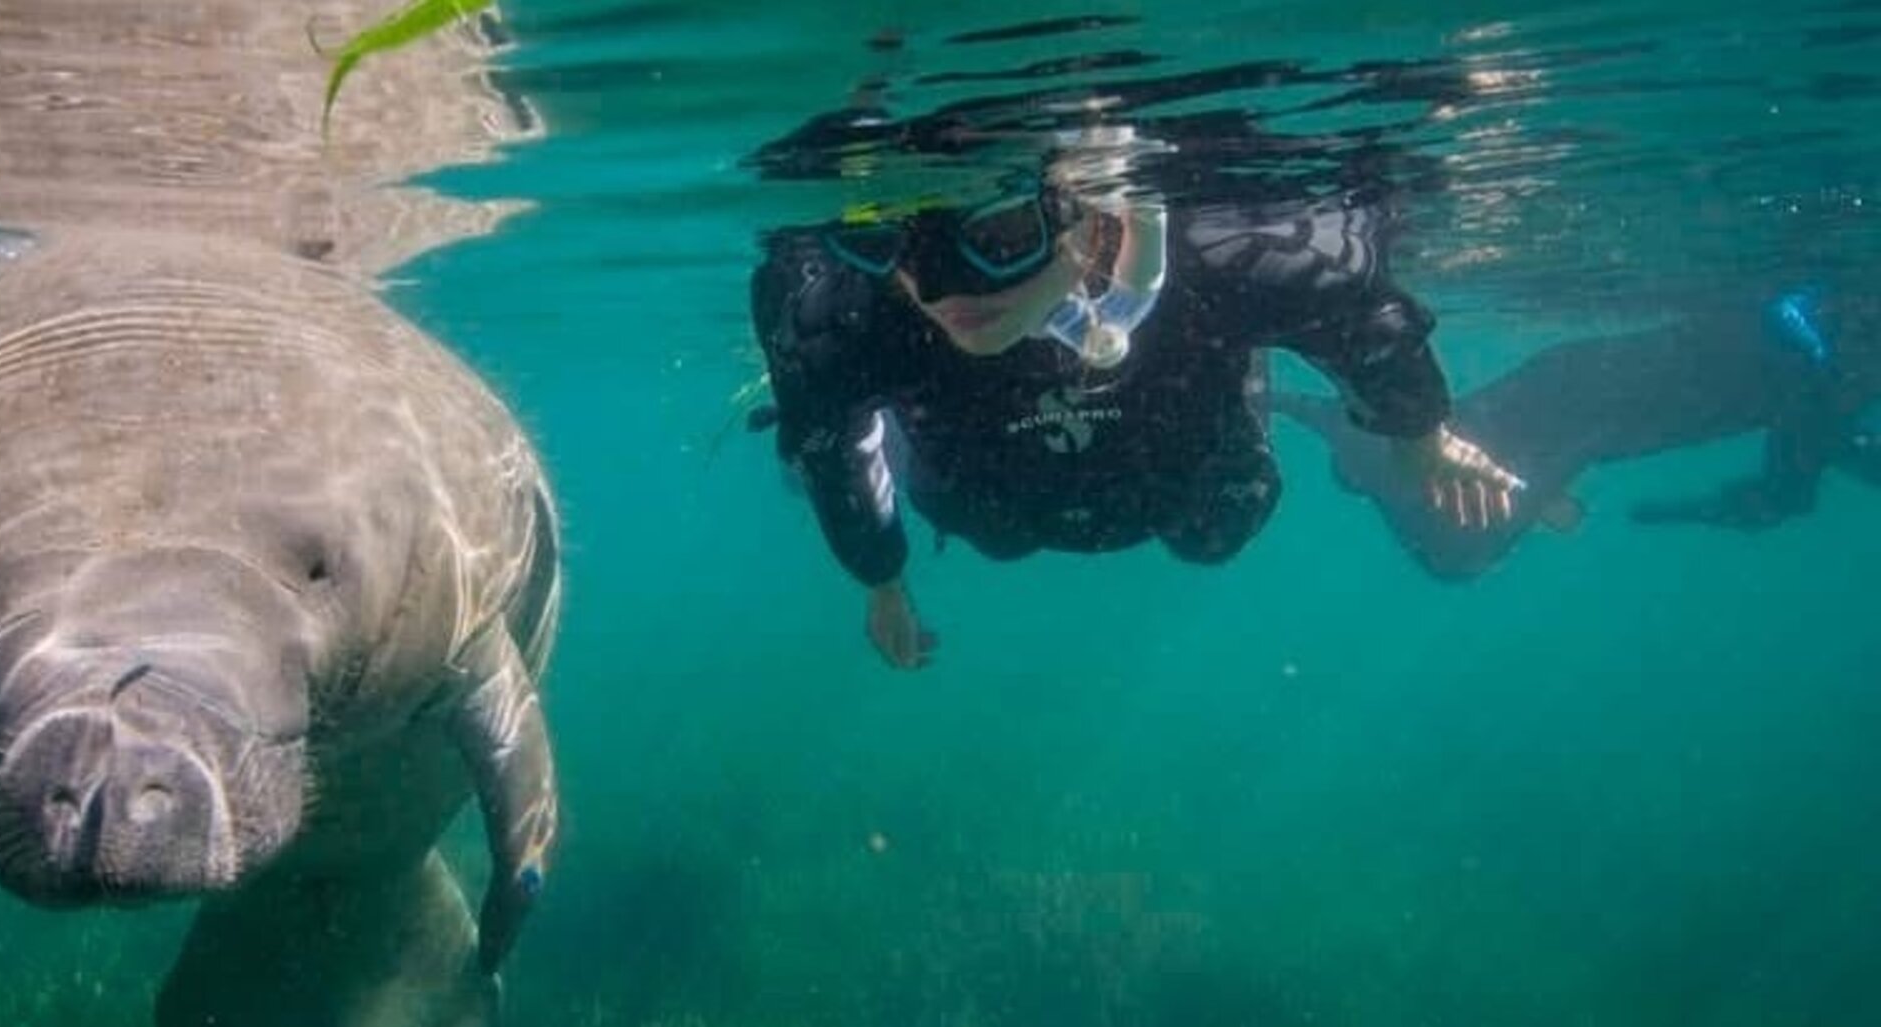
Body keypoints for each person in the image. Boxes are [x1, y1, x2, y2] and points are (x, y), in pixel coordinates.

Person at [749, 134, 1521, 668]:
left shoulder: (1222, 255)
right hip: (993, 490)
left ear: (1090, 216)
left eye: (1003, 229)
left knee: (1220, 527)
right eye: (887, 233)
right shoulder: (856, 315)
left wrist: (1418, 432)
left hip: (1186, 464)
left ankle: (1236, 386)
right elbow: (833, 449)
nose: (941, 284)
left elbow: (1358, 318)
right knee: (993, 529)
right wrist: (879, 574)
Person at [1272, 285, 1880, 580]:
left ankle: (1357, 443)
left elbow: (1810, 444)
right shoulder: (1831, 366)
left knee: (1458, 544)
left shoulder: (1826, 361)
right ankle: (1360, 445)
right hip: (1600, 402)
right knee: (1457, 552)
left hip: (1592, 389)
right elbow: (1807, 449)